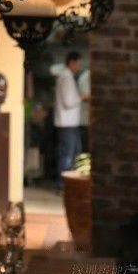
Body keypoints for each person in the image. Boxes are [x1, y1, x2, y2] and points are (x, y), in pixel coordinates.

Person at [54, 51, 87, 192]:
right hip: (67, 123)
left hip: (70, 123)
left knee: (74, 154)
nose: (79, 67)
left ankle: (69, 184)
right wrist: (82, 97)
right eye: (78, 64)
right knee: (67, 156)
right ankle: (62, 185)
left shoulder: (67, 77)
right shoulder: (66, 77)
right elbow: (69, 101)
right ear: (72, 62)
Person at [78, 68, 91, 153]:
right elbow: (85, 96)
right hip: (85, 121)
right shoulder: (84, 78)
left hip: (88, 120)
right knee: (85, 148)